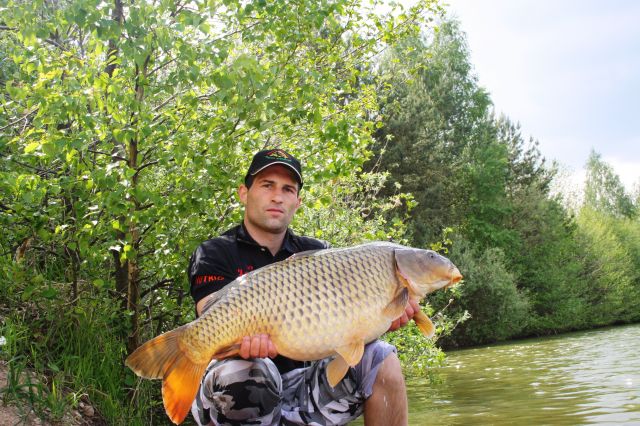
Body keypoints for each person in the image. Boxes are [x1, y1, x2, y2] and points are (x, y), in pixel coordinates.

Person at [188, 149, 421, 426]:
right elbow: (209, 314)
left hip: (303, 387)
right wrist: (238, 343)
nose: (277, 197)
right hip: (240, 386)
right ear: (243, 192)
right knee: (253, 373)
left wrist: (382, 316)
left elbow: (348, 325)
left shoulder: (319, 254)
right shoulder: (214, 253)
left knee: (382, 357)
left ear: (297, 202)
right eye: (267, 185)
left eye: (287, 189)